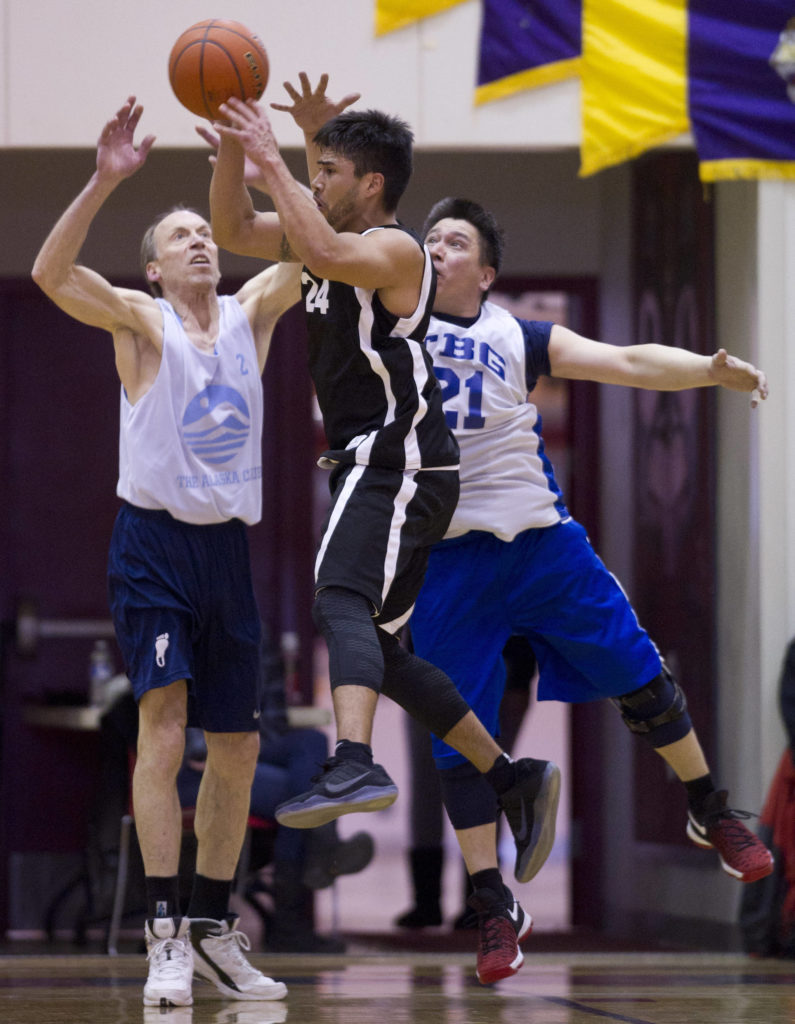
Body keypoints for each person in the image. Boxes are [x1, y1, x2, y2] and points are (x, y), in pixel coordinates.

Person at [206, 76, 560, 983]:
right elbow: (237, 228)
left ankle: (355, 759)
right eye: (314, 171)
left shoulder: (395, 248)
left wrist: (280, 154)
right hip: (382, 462)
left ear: (369, 184)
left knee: (338, 598)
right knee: (389, 656)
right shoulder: (323, 239)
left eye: (329, 171)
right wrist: (234, 149)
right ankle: (512, 778)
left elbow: (324, 240)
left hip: (396, 457)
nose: (314, 181)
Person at [406, 196, 775, 953]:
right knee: (455, 730)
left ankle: (709, 808)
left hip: (540, 544)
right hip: (446, 557)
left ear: (487, 272)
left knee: (636, 669)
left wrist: (708, 370)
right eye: (429, 238)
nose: (437, 247)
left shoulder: (520, 335)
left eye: (455, 240)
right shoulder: (387, 327)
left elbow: (627, 360)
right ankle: (491, 905)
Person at [31, 97, 299, 1009]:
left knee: (239, 744)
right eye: (182, 235)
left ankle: (215, 927)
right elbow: (50, 273)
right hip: (153, 546)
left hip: (226, 551)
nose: (201, 242)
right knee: (165, 725)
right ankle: (163, 934)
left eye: (206, 233)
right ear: (153, 265)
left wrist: (263, 166)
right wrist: (104, 180)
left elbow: (320, 250)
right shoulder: (142, 323)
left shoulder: (252, 311)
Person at [177, 625, 375, 953]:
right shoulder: (184, 638)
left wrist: (244, 744)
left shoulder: (252, 636)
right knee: (298, 793)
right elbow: (194, 745)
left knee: (312, 741)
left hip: (246, 750)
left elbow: (274, 721)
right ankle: (297, 904)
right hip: (197, 771)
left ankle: (318, 854)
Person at [396, 634, 537, 932]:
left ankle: (443, 903)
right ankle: (463, 903)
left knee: (462, 789)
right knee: (468, 790)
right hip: (464, 672)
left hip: (484, 672)